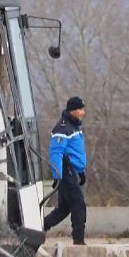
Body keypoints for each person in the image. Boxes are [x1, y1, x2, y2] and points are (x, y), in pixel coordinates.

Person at [43, 96, 88, 245]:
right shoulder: (63, 127)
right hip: (64, 172)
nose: (83, 112)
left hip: (71, 172)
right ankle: (79, 242)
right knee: (78, 205)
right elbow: (56, 152)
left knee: (64, 208)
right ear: (73, 110)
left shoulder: (74, 126)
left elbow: (74, 152)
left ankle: (41, 226)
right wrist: (57, 175)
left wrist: (80, 171)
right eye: (80, 109)